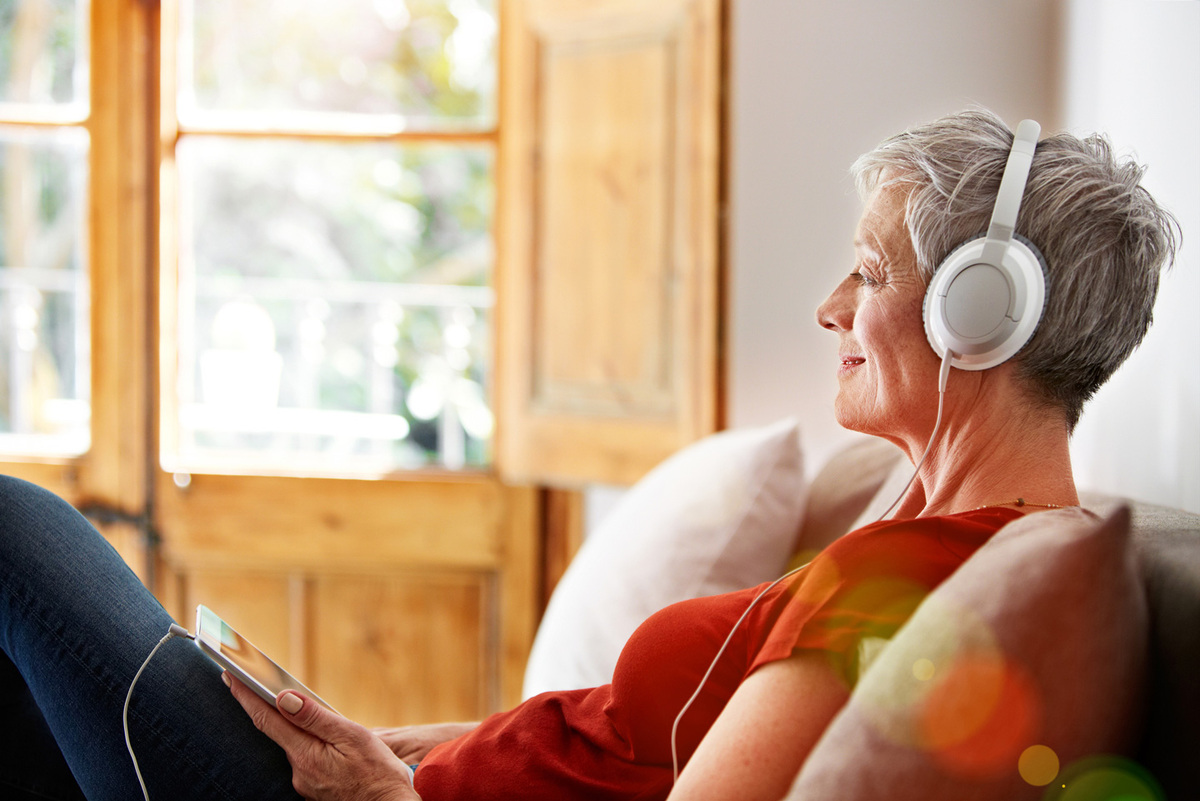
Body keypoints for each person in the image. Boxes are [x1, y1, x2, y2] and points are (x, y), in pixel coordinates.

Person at [0, 108, 1177, 801]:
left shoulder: (925, 579)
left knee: (12, 529)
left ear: (983, 318)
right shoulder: (918, 534)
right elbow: (619, 740)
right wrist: (397, 744)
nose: (828, 308)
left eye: (868, 274)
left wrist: (381, 794)